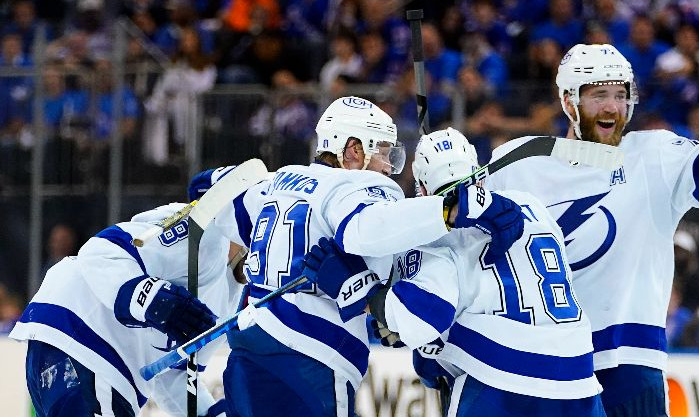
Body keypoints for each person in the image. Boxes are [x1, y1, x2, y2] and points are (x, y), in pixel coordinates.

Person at [484, 43, 699, 416]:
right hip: (537, 365)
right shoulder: (518, 163)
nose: (612, 107)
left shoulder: (653, 156)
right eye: (599, 94)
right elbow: (469, 248)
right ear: (567, 101)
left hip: (629, 363)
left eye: (621, 95)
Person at [211, 96, 524, 417]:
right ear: (353, 151)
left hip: (248, 347)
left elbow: (219, 207)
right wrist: (451, 209)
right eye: (384, 153)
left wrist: (210, 187)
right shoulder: (357, 184)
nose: (388, 167)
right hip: (309, 353)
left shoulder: (278, 181)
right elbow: (366, 228)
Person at [302, 128, 605, 416]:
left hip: (504, 381)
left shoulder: (432, 234)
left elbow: (423, 315)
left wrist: (365, 294)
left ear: (421, 189)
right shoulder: (532, 205)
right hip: (580, 376)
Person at [10, 198, 243, 416]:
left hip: (89, 356)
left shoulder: (232, 304)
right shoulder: (202, 228)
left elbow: (172, 375)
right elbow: (101, 252)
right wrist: (154, 301)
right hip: (88, 338)